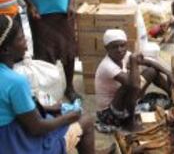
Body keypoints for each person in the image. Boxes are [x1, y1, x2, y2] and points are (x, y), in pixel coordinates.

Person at [0, 14, 108, 154]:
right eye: (20, 38)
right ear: (6, 50)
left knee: (57, 112)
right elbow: (37, 128)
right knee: (85, 120)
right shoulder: (15, 81)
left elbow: (10, 109)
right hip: (17, 145)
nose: (25, 40)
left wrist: (43, 107)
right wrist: (67, 118)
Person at [95, 29, 173, 131]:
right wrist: (133, 61)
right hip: (110, 112)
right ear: (107, 48)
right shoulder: (107, 66)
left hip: (123, 103)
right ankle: (130, 122)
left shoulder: (125, 54)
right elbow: (134, 86)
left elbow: (149, 62)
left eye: (122, 45)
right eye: (114, 47)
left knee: (151, 71)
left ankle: (173, 96)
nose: (119, 49)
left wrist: (168, 73)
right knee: (129, 86)